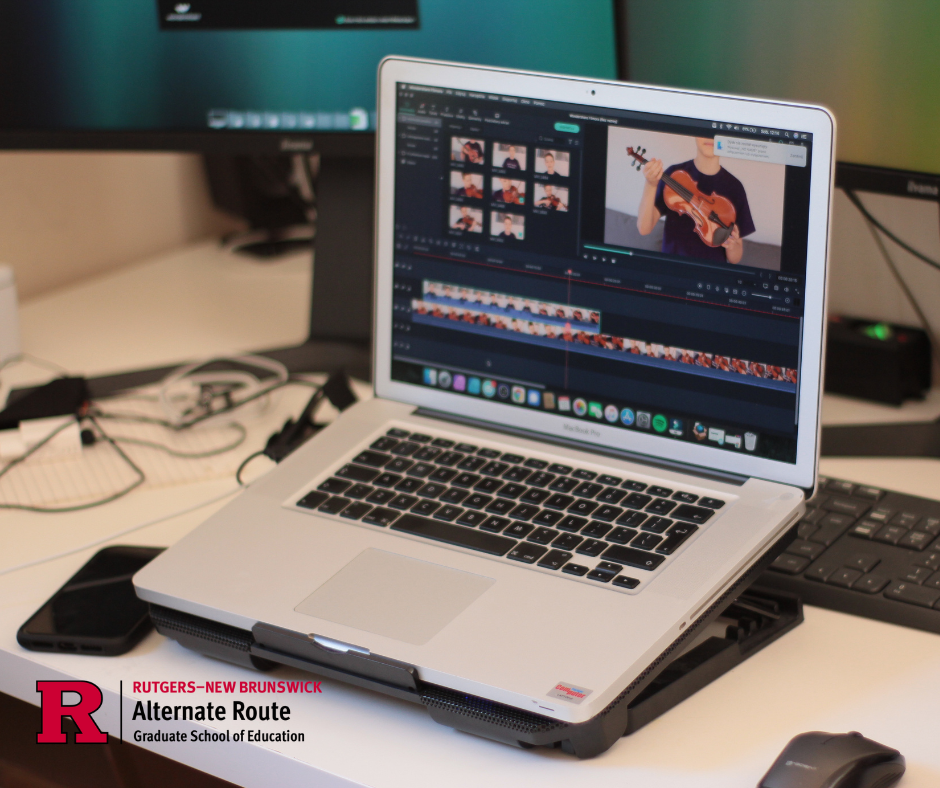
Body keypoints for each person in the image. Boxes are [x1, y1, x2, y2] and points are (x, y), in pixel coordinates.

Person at [636, 137, 755, 264]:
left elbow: (735, 259)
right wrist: (651, 184)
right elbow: (644, 228)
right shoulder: (674, 174)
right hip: (672, 268)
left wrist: (732, 246)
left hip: (710, 274)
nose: (710, 137)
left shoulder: (735, 187)